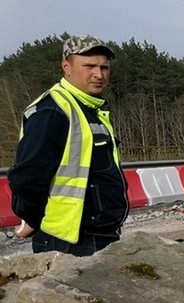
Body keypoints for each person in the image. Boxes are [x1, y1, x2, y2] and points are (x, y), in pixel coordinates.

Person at [8, 35, 128, 256]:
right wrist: (32, 218)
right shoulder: (53, 110)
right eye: (89, 66)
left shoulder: (92, 109)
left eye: (104, 67)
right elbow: (27, 176)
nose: (99, 74)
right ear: (67, 67)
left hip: (100, 235)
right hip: (68, 242)